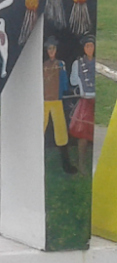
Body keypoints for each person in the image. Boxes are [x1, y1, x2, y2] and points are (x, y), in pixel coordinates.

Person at [43, 36, 77, 174]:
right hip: (44, 102)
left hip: (56, 101)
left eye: (53, 48)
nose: (51, 51)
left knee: (61, 132)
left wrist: (64, 92)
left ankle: (66, 164)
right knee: (40, 129)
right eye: (49, 49)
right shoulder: (43, 66)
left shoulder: (60, 64)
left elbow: (63, 81)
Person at [69, 34, 95, 174]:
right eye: (87, 46)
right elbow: (73, 81)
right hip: (85, 100)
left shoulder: (98, 63)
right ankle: (82, 164)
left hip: (97, 102)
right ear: (84, 48)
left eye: (91, 46)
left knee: (97, 133)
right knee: (83, 135)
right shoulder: (77, 64)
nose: (89, 48)